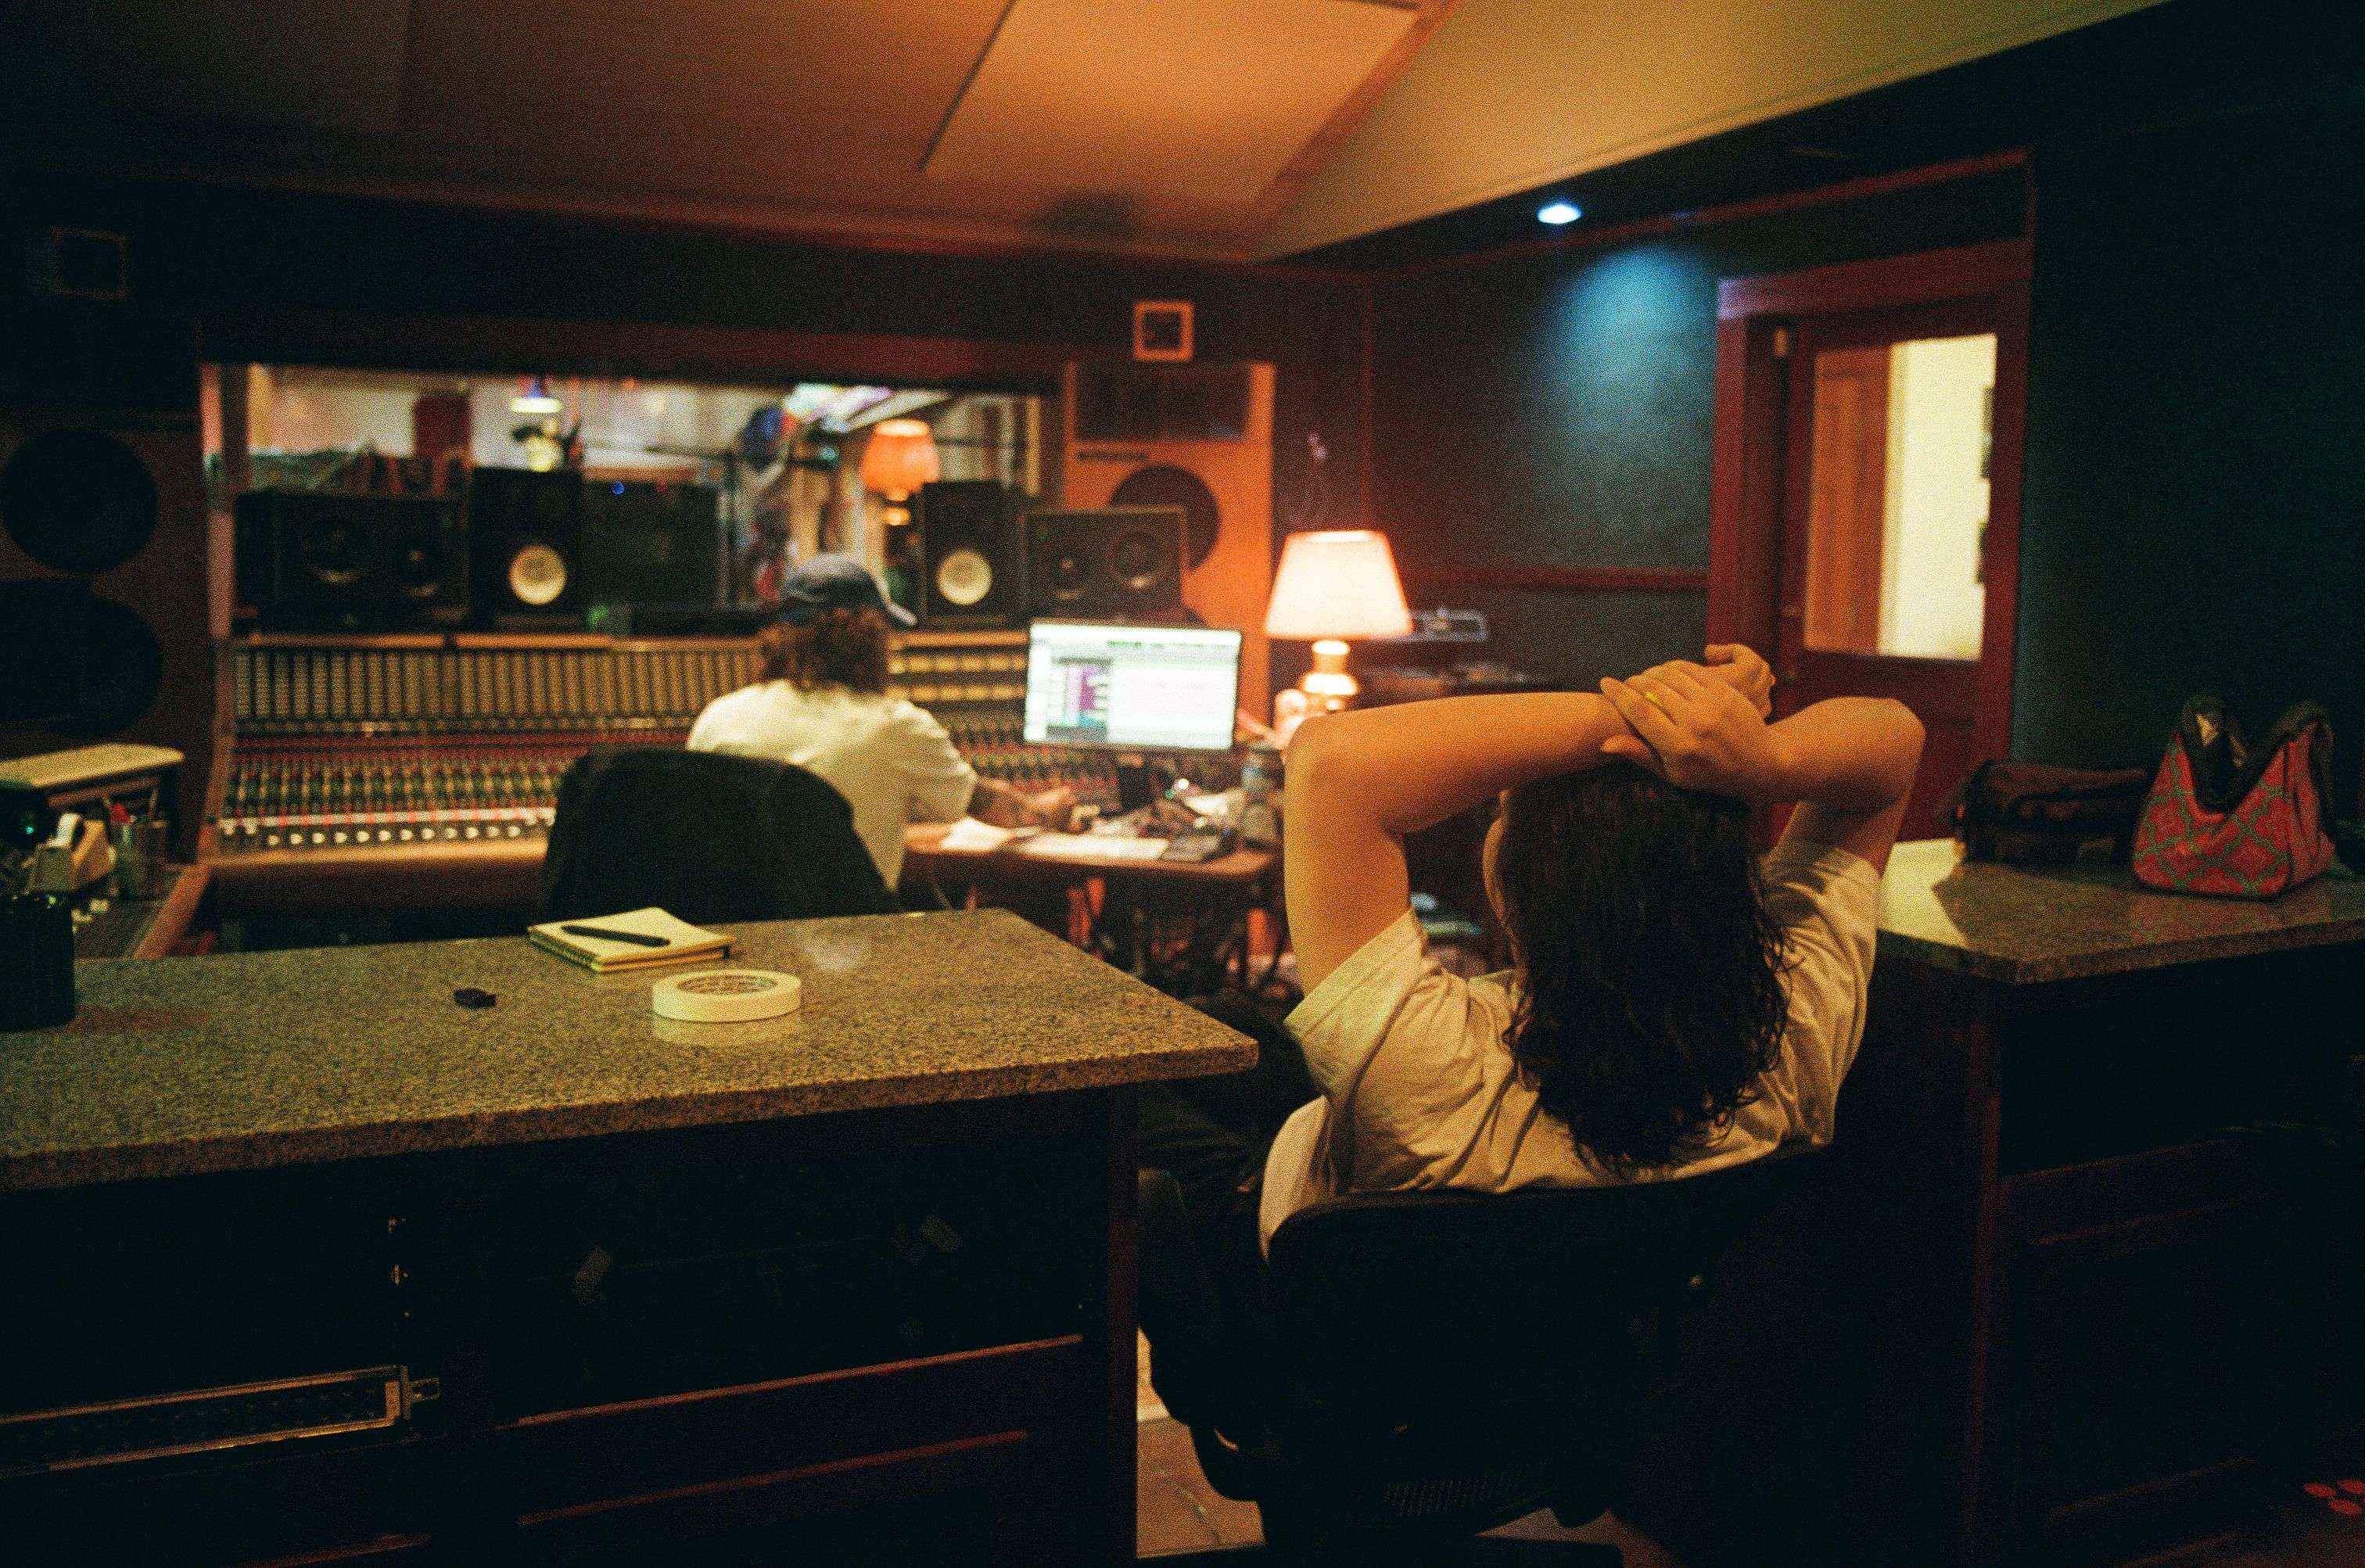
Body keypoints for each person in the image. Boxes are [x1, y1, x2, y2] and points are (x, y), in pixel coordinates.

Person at [1136, 644, 1923, 1436]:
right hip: (1544, 1354)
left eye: (1501, 814)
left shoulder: (1430, 1062)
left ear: (1520, 886)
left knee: (1122, 1086)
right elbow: (1895, 743)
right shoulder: (1792, 1034)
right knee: (1226, 1023)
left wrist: (1642, 711)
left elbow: (1330, 758)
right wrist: (1757, 750)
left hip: (1310, 1323)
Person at [686, 556, 1073, 888]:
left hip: (741, 945)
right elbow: (989, 809)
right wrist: (1049, 808)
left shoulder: (718, 717)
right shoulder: (897, 726)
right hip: (854, 945)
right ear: (870, 640)